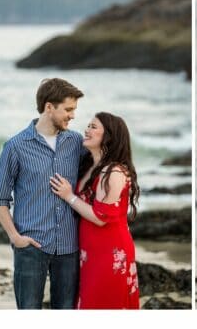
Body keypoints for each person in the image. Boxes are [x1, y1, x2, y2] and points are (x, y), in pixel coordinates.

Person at [0, 78, 85, 309]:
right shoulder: (15, 147)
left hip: (69, 246)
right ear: (49, 107)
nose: (73, 116)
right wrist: (15, 238)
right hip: (31, 247)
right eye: (68, 109)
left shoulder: (76, 142)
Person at [50, 112, 142, 309]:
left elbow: (101, 217)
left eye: (93, 127)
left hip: (109, 253)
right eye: (88, 125)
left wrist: (69, 196)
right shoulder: (91, 167)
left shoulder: (114, 172)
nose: (87, 130)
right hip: (89, 253)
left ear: (109, 136)